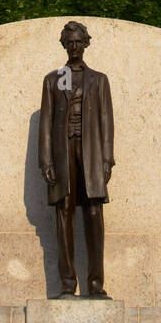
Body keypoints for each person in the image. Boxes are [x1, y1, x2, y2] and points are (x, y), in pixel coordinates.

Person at [38, 21, 114, 298]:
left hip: (92, 152)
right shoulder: (52, 80)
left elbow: (107, 121)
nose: (74, 47)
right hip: (62, 152)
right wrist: (45, 161)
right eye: (69, 42)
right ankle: (68, 284)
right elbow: (45, 122)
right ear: (63, 45)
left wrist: (107, 159)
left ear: (86, 44)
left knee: (94, 212)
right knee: (64, 212)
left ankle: (96, 285)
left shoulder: (99, 80)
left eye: (78, 42)